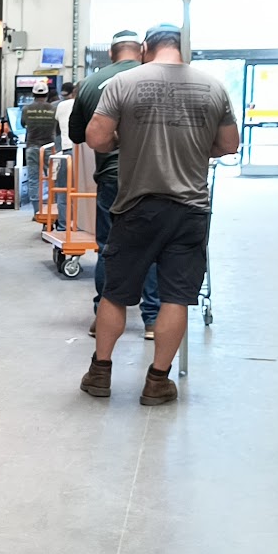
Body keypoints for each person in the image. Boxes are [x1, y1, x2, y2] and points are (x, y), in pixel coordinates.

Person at [79, 23, 238, 405]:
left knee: (116, 293)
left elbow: (96, 138)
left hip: (136, 205)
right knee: (175, 297)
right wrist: (198, 148)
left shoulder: (124, 83)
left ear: (146, 48)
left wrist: (127, 139)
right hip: (190, 209)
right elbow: (229, 144)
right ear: (184, 47)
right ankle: (157, 381)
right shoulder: (213, 87)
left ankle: (100, 372)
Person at [71, 31, 161, 338]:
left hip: (110, 176)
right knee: (150, 246)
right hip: (150, 177)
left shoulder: (91, 83)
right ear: (141, 51)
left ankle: (103, 316)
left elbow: (77, 134)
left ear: (111, 53)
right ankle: (152, 319)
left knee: (109, 247)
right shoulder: (155, 79)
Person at [19, 80, 58, 220]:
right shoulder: (53, 109)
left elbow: (23, 124)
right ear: (47, 94)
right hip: (49, 147)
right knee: (53, 178)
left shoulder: (26, 109)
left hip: (32, 147)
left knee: (34, 180)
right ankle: (54, 210)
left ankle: (36, 212)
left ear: (33, 94)